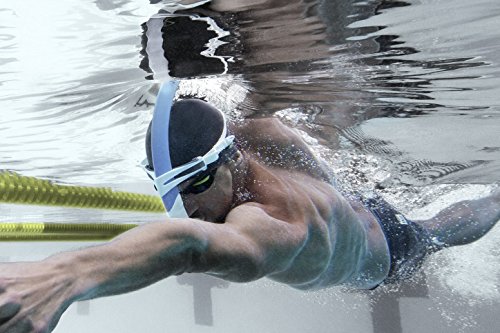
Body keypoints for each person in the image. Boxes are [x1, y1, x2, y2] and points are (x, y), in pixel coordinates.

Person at [0, 82, 498, 333]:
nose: (188, 206)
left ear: (229, 159)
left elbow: (190, 247)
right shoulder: (259, 131)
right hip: (351, 201)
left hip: (389, 247)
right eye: (170, 193)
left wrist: (65, 274)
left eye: (194, 184)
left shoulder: (270, 227)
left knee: (437, 231)